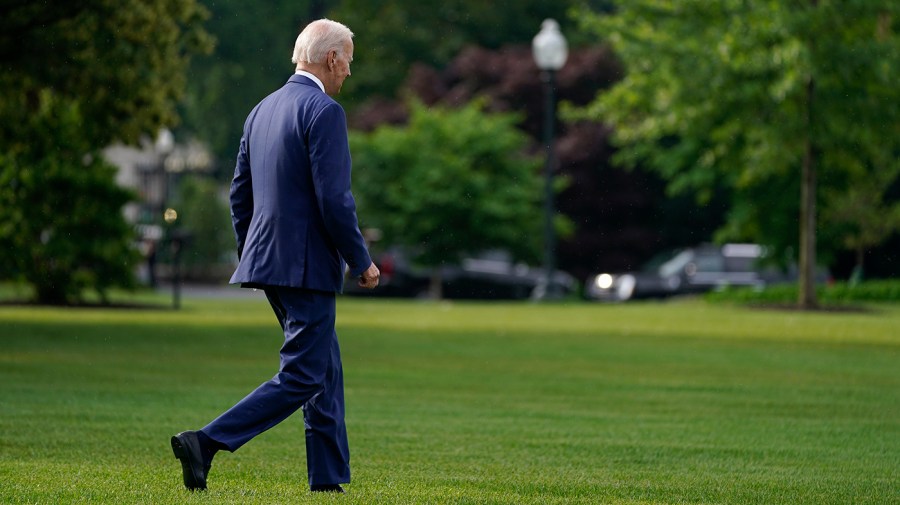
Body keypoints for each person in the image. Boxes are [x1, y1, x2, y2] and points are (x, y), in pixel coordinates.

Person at [170, 18, 380, 494]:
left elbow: (238, 195)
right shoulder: (323, 112)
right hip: (305, 266)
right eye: (348, 60)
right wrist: (361, 260)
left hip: (272, 263)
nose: (348, 71)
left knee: (323, 368)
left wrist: (255, 254)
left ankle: (328, 480)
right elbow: (335, 200)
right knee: (304, 374)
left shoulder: (261, 110)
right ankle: (206, 441)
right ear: (330, 58)